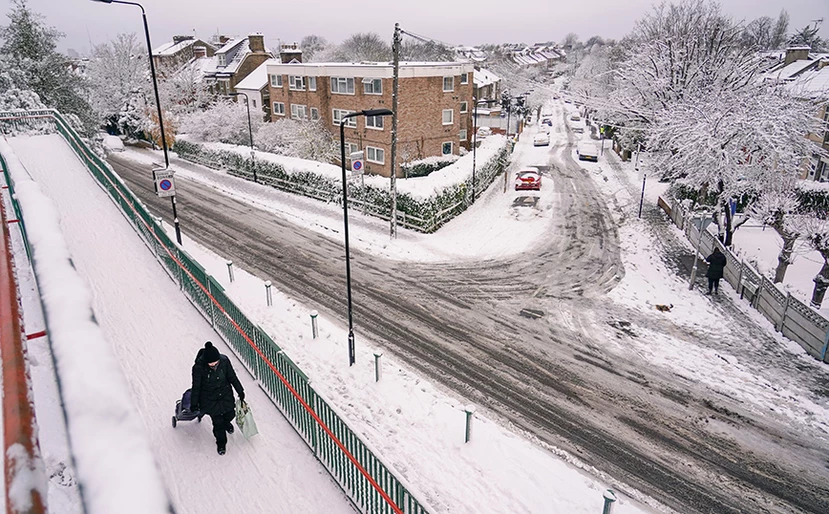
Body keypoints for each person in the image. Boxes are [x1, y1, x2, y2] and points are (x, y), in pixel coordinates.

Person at [190, 341, 244, 455]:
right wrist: (194, 404)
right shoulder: (198, 368)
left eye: (216, 362)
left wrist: (240, 390)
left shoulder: (224, 361)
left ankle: (227, 423)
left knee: (231, 414)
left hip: (225, 395)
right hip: (209, 399)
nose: (214, 364)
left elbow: (232, 377)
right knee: (218, 423)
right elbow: (196, 387)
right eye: (211, 363)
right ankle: (221, 443)